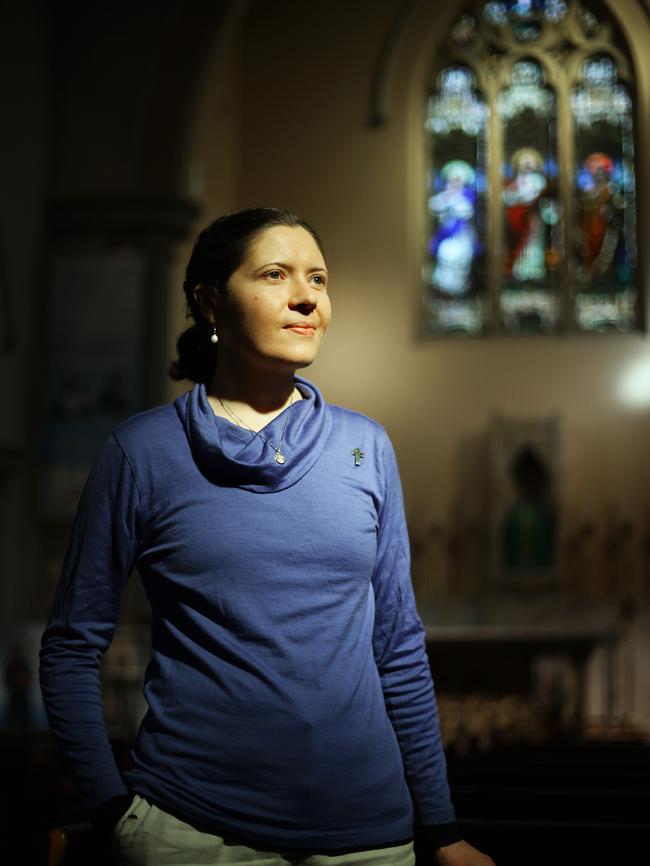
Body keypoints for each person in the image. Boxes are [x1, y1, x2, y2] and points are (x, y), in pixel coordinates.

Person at [40, 208, 495, 866]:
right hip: (192, 833)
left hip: (367, 839)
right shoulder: (142, 453)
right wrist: (115, 814)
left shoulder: (364, 446)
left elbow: (397, 647)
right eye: (276, 275)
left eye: (318, 278)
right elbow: (71, 648)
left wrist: (442, 827)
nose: (307, 296)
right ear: (210, 304)